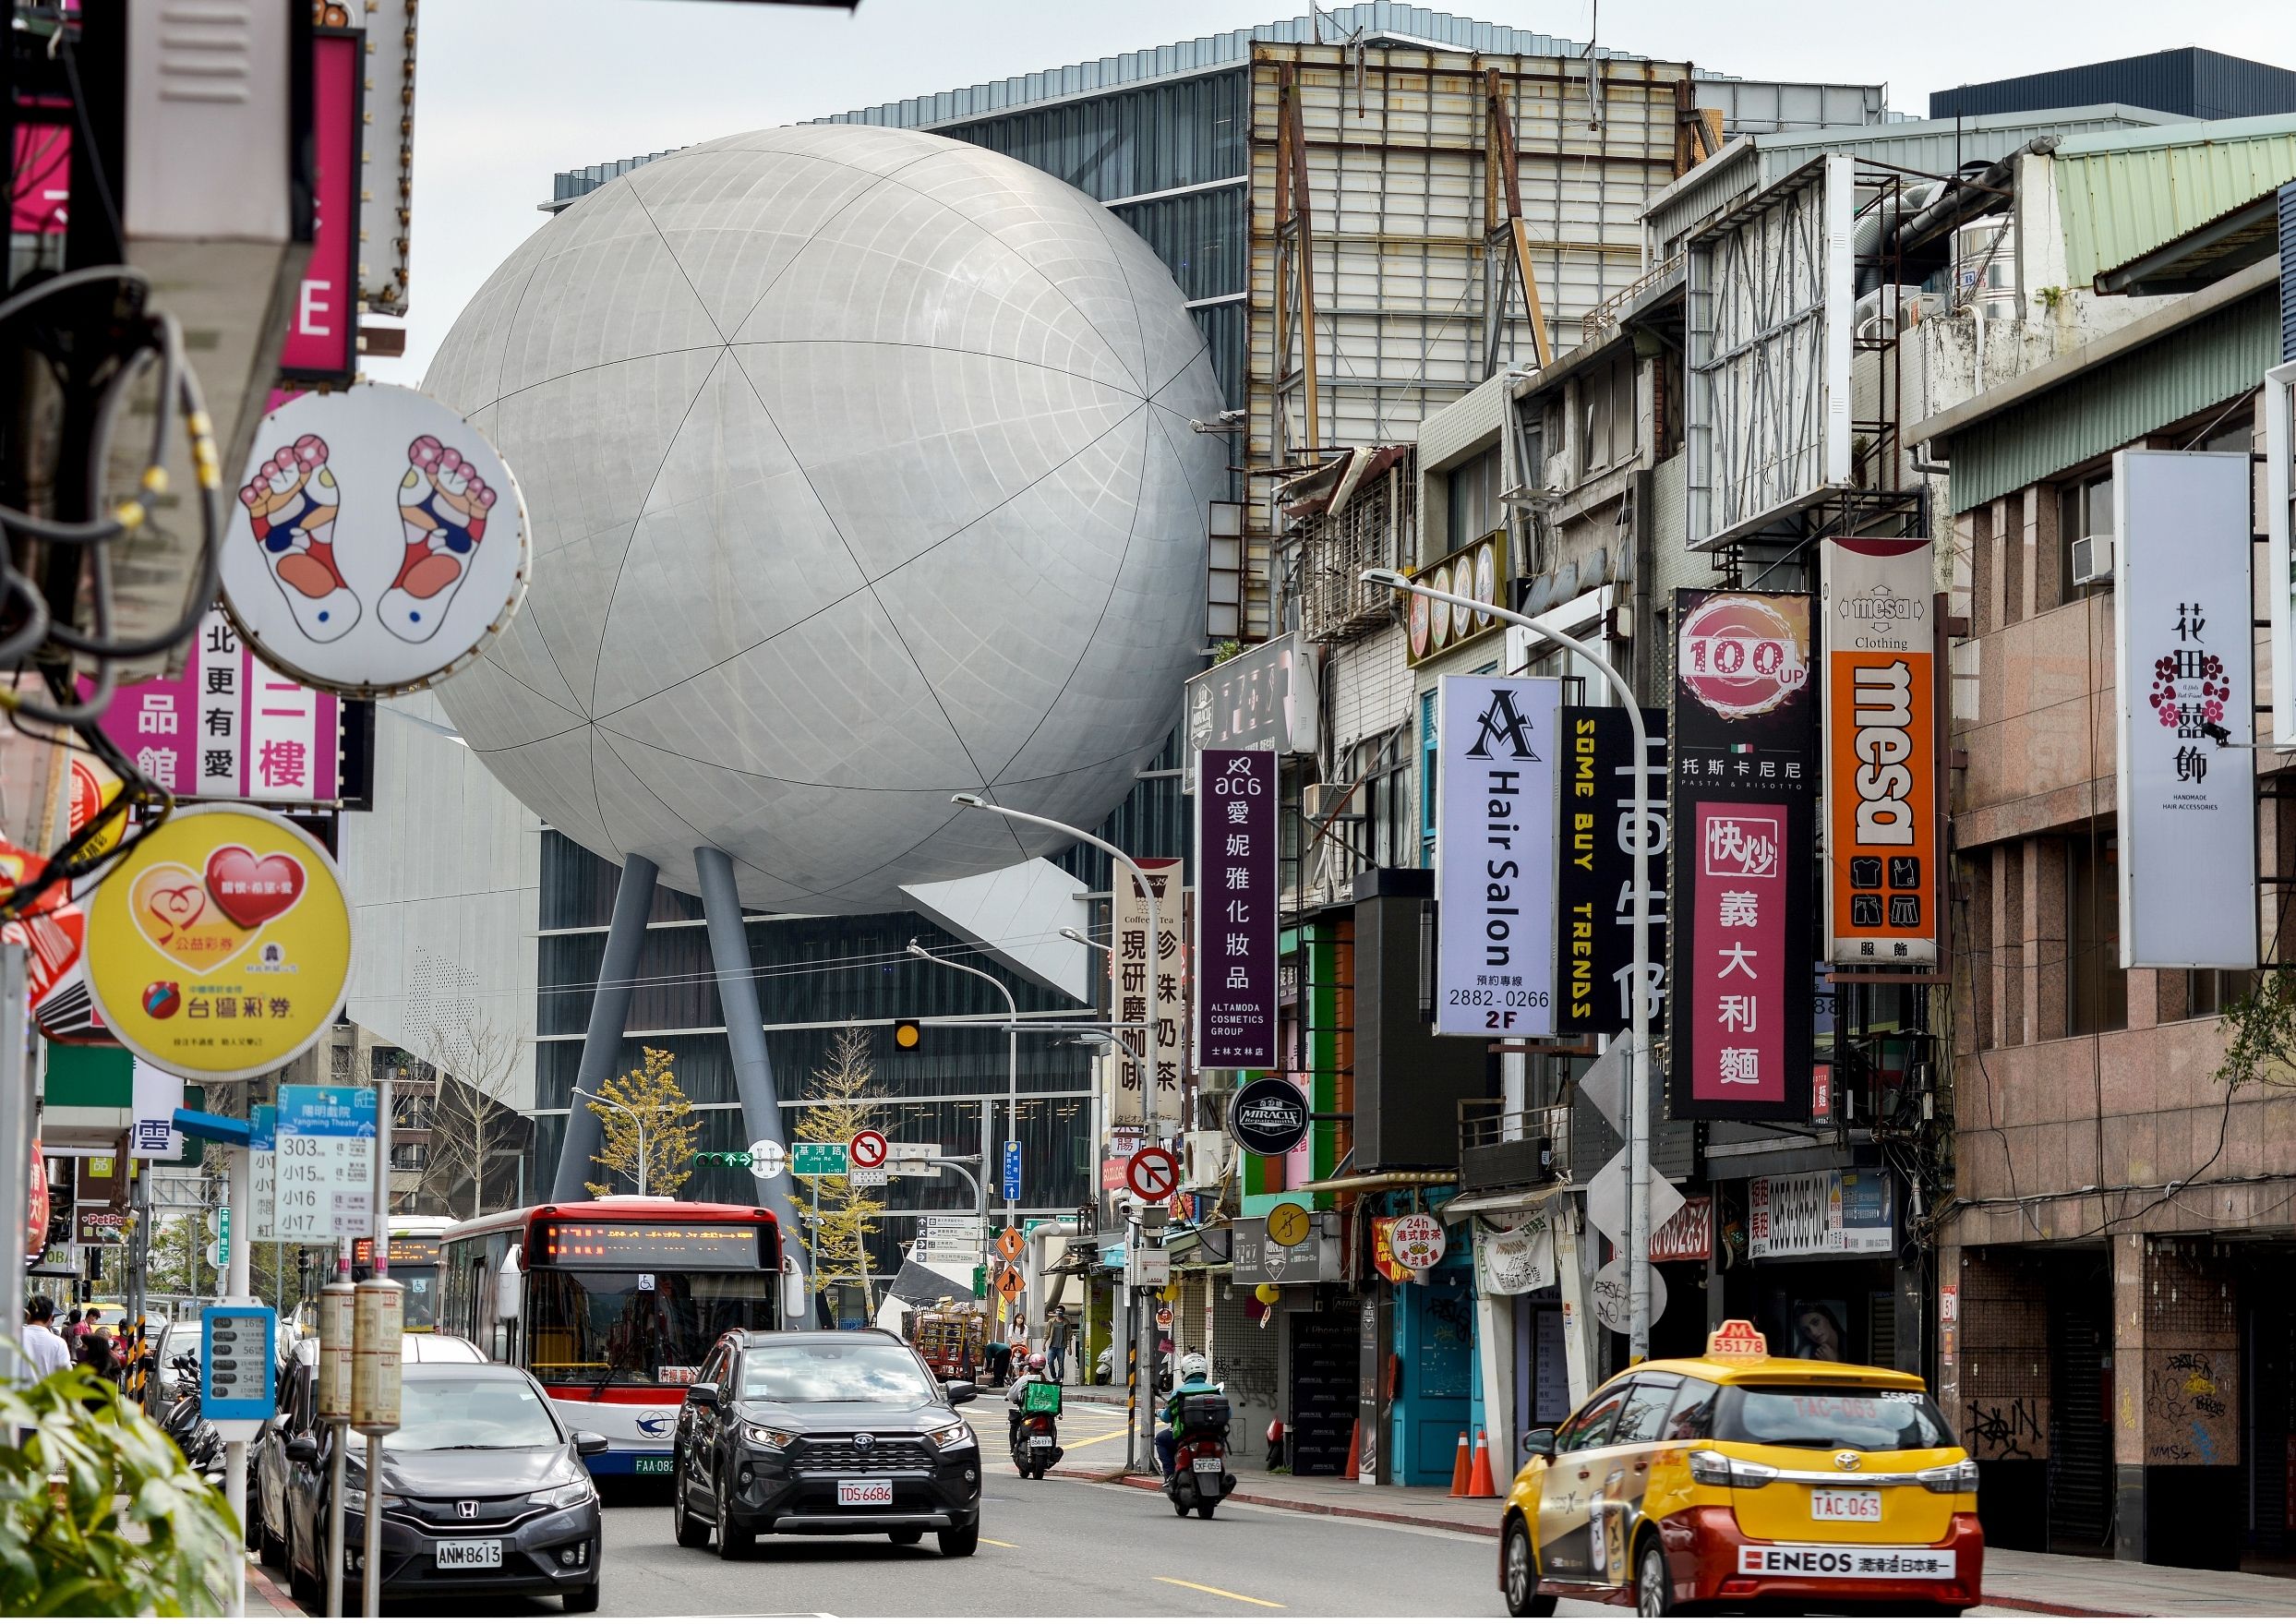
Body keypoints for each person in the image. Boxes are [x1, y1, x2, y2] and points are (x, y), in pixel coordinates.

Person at [1155, 1352, 1220, 1479]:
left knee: (1161, 1439)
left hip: (1185, 1436)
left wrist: (1159, 1412)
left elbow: (1167, 1417)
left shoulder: (1179, 1392)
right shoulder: (1216, 1391)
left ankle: (1170, 1476)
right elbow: (1228, 1413)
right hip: (1212, 1435)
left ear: (1184, 1372)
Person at [1004, 1353, 1049, 1448]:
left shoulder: (1024, 1379)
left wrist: (1009, 1398)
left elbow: (1011, 1395)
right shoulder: (1046, 1381)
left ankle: (1013, 1448)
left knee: (1014, 1425)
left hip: (1027, 1412)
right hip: (1045, 1411)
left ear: (1030, 1366)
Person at [22, 1295, 72, 1378]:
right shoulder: (59, 1343)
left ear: (28, 1314)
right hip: (46, 1391)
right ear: (51, 1318)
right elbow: (66, 1376)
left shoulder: (11, 1338)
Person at [1045, 1306, 1071, 1385]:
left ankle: (1060, 1378)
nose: (1059, 1312)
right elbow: (1047, 1333)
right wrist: (1044, 1344)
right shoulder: (1051, 1321)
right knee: (1050, 1361)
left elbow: (1069, 1335)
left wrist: (1069, 1347)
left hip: (1061, 1346)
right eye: (1057, 1311)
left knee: (1061, 1363)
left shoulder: (1066, 1322)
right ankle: (1054, 1377)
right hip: (1052, 1346)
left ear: (1063, 1312)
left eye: (1061, 1311)